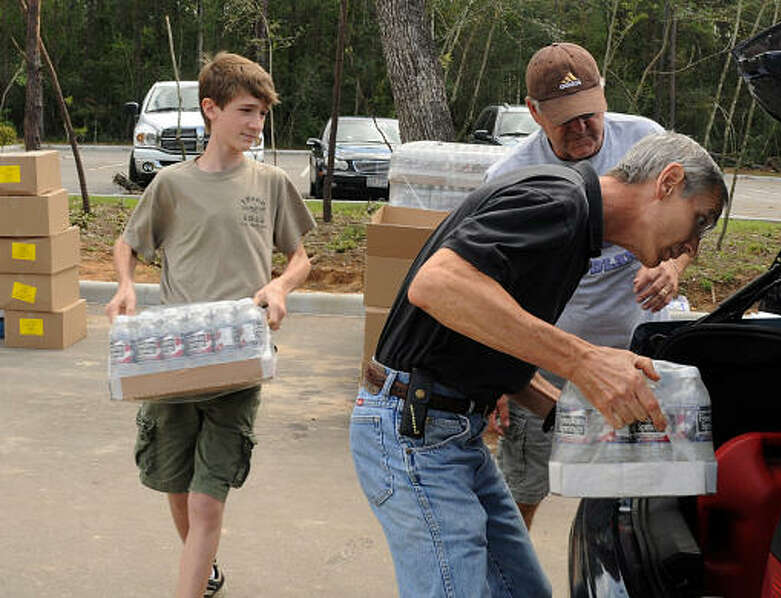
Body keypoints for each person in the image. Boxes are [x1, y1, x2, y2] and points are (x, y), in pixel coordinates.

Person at [350, 130, 727, 597]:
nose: (692, 245)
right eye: (700, 220)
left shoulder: (573, 220)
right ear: (668, 182)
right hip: (414, 430)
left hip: (450, 429)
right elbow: (438, 285)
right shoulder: (561, 202)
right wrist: (585, 361)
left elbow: (484, 325)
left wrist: (568, 409)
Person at [105, 52, 316, 598]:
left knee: (205, 500)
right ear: (211, 109)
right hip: (174, 359)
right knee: (175, 486)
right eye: (246, 111)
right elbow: (127, 245)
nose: (256, 125)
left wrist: (279, 287)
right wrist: (126, 286)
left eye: (263, 115)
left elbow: (301, 258)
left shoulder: (270, 183)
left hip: (238, 361)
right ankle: (205, 565)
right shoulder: (171, 186)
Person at [484, 41, 692, 529]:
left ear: (603, 96)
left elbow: (689, 228)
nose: (580, 128)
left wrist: (672, 268)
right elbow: (488, 289)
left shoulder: (649, 142)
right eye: (564, 119)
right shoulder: (508, 178)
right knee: (522, 489)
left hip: (639, 355)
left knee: (638, 494)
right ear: (534, 112)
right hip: (548, 360)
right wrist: (495, 376)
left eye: (588, 113)